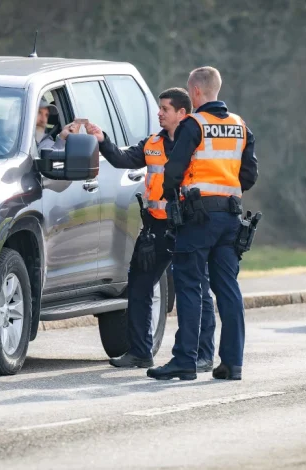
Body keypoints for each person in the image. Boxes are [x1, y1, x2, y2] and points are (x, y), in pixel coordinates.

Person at [85, 88, 217, 371]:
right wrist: (103, 140)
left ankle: (203, 355)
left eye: (165, 109)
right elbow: (124, 160)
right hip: (157, 227)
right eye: (159, 108)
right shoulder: (152, 144)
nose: (159, 113)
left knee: (198, 290)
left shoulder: (198, 143)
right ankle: (140, 352)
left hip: (190, 227)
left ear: (182, 113)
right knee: (140, 285)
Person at [147, 66, 258, 381]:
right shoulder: (240, 126)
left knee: (190, 286)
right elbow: (249, 175)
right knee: (228, 289)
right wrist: (227, 194)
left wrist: (173, 200)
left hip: (197, 218)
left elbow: (174, 170)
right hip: (231, 217)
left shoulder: (193, 124)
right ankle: (232, 364)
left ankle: (185, 360)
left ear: (195, 92)